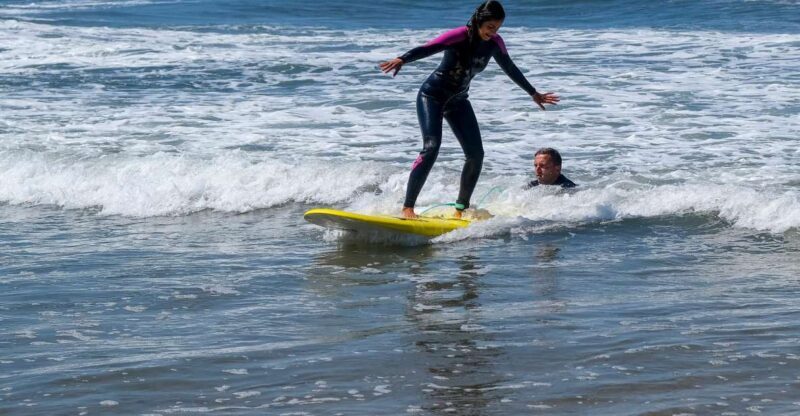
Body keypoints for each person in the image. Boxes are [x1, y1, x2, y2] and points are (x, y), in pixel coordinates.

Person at [380, 0, 559, 219]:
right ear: (479, 21)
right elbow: (429, 48)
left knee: (476, 154)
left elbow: (510, 68)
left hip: (458, 100)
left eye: (498, 28)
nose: (493, 32)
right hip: (432, 96)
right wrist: (403, 59)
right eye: (490, 27)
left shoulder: (495, 43)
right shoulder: (459, 35)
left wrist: (533, 93)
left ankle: (460, 210)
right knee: (431, 147)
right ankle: (408, 207)